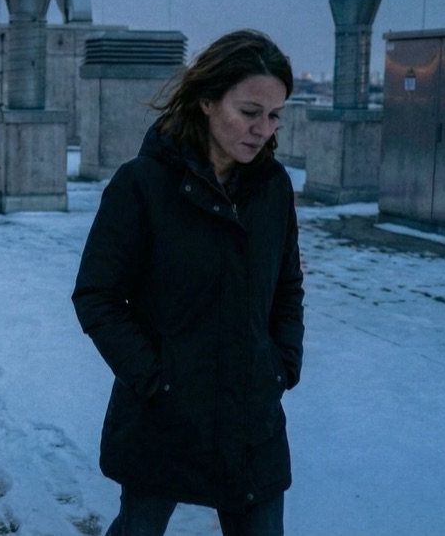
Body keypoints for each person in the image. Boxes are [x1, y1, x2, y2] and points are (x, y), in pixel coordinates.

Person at [72, 29, 305, 536]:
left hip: (252, 420)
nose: (263, 129)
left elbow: (287, 287)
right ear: (206, 101)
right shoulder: (143, 185)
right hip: (165, 419)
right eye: (249, 112)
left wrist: (281, 366)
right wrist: (156, 377)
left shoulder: (273, 189)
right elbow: (98, 295)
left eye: (274, 115)